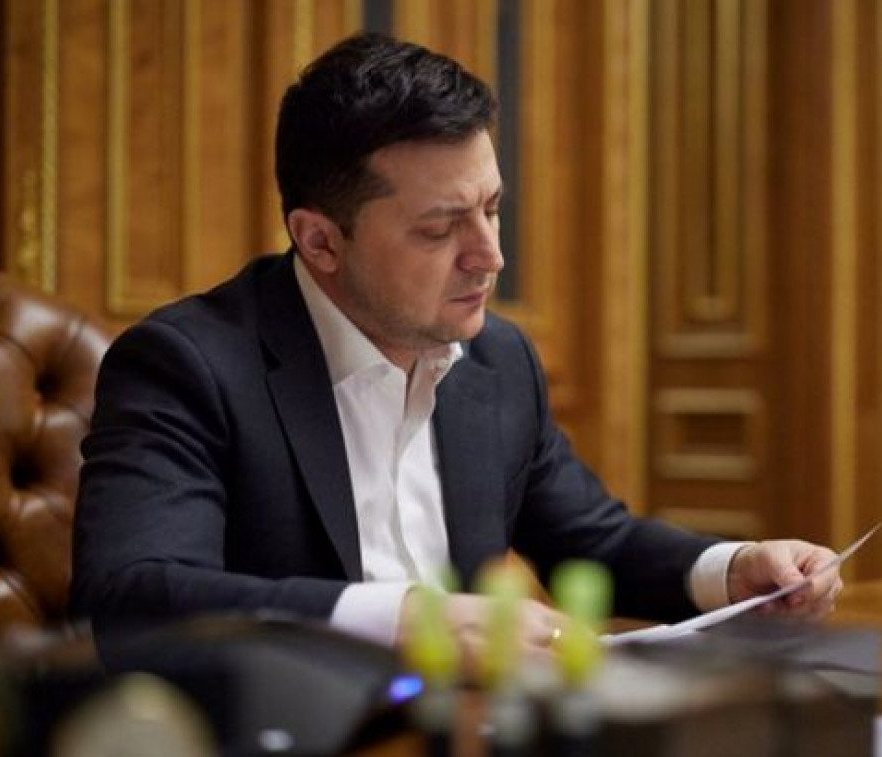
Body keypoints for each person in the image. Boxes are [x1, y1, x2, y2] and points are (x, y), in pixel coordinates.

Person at [71, 32, 842, 666]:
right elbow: (136, 596)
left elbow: (594, 540)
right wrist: (407, 618)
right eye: (440, 229)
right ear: (320, 241)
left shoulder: (498, 362)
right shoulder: (188, 365)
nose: (490, 256)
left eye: (493, 210)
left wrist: (731, 570)